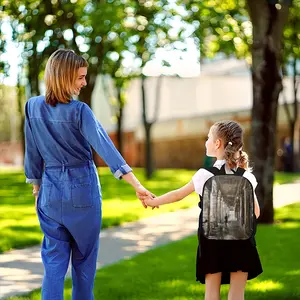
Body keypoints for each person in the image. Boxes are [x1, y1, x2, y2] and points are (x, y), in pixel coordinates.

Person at [24, 49, 153, 300]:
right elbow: (107, 148)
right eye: (80, 77)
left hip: (49, 193)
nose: (84, 83)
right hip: (82, 191)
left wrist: (37, 190)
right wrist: (136, 185)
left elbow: (32, 153)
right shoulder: (79, 111)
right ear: (64, 77)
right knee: (83, 264)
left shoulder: (32, 107)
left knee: (53, 265)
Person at [144, 121, 262, 300]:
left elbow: (178, 195)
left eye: (208, 137)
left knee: (211, 294)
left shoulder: (204, 175)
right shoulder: (247, 177)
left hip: (212, 243)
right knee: (237, 294)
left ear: (217, 144)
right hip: (241, 242)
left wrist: (154, 201)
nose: (206, 141)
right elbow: (256, 212)